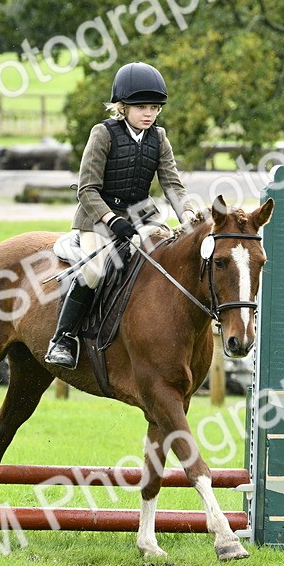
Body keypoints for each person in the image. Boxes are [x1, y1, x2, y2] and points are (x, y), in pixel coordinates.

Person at [44, 61, 199, 369]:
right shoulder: (103, 134)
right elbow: (86, 189)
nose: (149, 113)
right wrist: (112, 221)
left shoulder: (159, 137)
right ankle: (62, 338)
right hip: (98, 217)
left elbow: (173, 184)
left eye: (154, 107)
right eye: (141, 106)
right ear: (122, 106)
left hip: (142, 215)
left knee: (168, 259)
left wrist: (188, 215)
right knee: (94, 270)